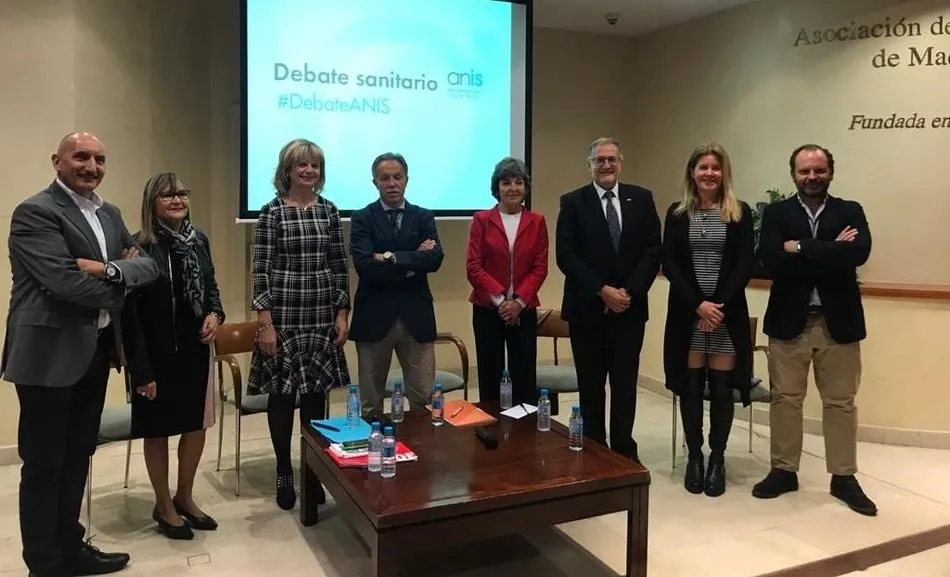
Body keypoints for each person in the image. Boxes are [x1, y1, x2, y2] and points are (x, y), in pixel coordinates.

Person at [2, 132, 160, 577]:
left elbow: (147, 265)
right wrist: (121, 285)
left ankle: (70, 548)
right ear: (57, 161)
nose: (91, 166)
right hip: (46, 356)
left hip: (94, 352)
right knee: (44, 465)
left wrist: (108, 269)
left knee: (77, 458)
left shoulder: (109, 213)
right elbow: (64, 282)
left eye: (99, 159)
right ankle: (44, 564)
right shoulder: (35, 212)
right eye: (81, 157)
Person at [753, 144, 876, 516]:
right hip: (790, 322)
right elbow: (771, 259)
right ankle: (783, 471)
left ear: (830, 172)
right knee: (785, 399)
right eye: (804, 171)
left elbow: (859, 253)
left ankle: (843, 477)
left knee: (841, 403)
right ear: (794, 174)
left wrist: (800, 247)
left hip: (839, 323)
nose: (811, 177)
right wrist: (830, 251)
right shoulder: (776, 213)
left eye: (819, 170)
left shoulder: (849, 210)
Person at [248, 139, 351, 511]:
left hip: (321, 316)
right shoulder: (272, 212)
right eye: (301, 165)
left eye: (315, 166)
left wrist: (342, 314)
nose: (309, 171)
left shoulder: (329, 210)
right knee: (282, 397)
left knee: (315, 398)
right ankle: (283, 470)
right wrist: (265, 323)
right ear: (287, 170)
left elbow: (339, 266)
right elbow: (260, 270)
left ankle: (312, 468)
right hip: (284, 318)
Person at [124, 172, 225, 539]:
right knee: (157, 430)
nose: (177, 200)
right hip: (155, 356)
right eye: (167, 195)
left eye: (182, 193)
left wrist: (215, 314)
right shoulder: (138, 248)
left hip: (195, 350)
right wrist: (141, 370)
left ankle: (184, 496)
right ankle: (163, 504)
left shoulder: (199, 241)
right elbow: (130, 315)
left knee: (195, 425)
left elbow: (211, 287)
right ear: (151, 202)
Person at [555, 137, 661, 462]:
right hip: (587, 310)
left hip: (629, 310)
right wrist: (603, 290)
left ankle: (624, 451)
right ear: (589, 164)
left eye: (611, 159)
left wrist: (627, 292)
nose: (606, 165)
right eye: (599, 160)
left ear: (620, 162)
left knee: (625, 385)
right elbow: (566, 255)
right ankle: (594, 453)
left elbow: (653, 250)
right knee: (591, 386)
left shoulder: (641, 199)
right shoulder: (573, 202)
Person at [661, 143, 754, 497]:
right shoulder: (677, 213)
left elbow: (744, 264)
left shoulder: (739, 212)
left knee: (720, 390)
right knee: (690, 389)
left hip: (725, 317)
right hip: (688, 315)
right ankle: (695, 457)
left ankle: (717, 458)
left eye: (716, 167)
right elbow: (670, 264)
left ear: (724, 172)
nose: (710, 173)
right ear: (692, 172)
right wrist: (699, 305)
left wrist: (716, 307)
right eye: (703, 167)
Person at [349, 152, 444, 417]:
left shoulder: (423, 216)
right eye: (385, 178)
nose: (392, 183)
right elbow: (365, 266)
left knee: (424, 400)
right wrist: (413, 261)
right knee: (370, 403)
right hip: (373, 318)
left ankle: (421, 446)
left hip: (416, 317)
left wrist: (388, 257)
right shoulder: (362, 217)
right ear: (375, 182)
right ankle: (372, 444)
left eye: (397, 177)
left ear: (406, 180)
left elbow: (434, 260)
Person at [466, 157, 548, 406]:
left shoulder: (537, 221)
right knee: (489, 375)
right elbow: (474, 267)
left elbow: (540, 268)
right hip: (487, 309)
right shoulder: (482, 220)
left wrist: (517, 303)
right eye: (506, 182)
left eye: (519, 182)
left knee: (524, 376)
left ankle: (524, 428)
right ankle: (492, 425)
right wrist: (502, 302)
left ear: (526, 187)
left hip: (524, 310)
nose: (513, 188)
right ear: (497, 188)